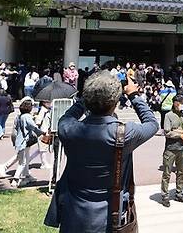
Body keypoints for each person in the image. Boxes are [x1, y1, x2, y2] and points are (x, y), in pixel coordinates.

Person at [44, 70, 157, 232]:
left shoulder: (68, 128)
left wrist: (86, 97)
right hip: (109, 218)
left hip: (73, 215)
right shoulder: (124, 133)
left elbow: (67, 116)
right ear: (115, 102)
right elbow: (152, 123)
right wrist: (134, 95)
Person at [161, 95, 183, 207]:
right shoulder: (168, 115)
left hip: (182, 149)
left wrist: (180, 131)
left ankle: (179, 193)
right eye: (180, 102)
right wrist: (180, 135)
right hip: (171, 149)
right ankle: (165, 195)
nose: (182, 104)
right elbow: (167, 132)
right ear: (175, 103)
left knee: (181, 172)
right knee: (167, 173)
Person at [8, 98, 45, 187]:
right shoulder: (27, 117)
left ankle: (27, 176)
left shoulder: (19, 116)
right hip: (24, 142)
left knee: (25, 160)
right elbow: (33, 127)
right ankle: (16, 179)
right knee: (22, 162)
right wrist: (42, 132)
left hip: (19, 141)